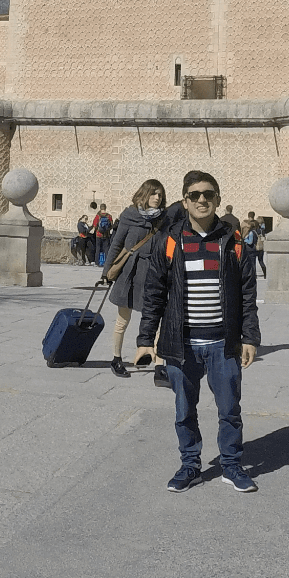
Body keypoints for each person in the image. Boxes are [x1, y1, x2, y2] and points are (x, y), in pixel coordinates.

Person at [134, 169, 261, 494]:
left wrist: (250, 337)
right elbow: (154, 294)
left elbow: (248, 295)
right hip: (182, 344)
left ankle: (231, 466)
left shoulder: (233, 242)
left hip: (223, 343)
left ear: (217, 199)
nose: (202, 200)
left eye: (208, 194)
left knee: (230, 411)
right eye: (195, 196)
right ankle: (190, 464)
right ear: (185, 201)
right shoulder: (170, 241)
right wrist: (146, 340)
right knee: (184, 411)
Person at [100, 179, 172, 377]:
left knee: (156, 320)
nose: (157, 198)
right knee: (123, 320)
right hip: (130, 273)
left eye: (160, 195)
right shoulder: (129, 215)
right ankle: (116, 359)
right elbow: (116, 244)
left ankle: (159, 365)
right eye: (153, 193)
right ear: (144, 194)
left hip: (154, 274)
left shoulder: (164, 220)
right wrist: (106, 273)